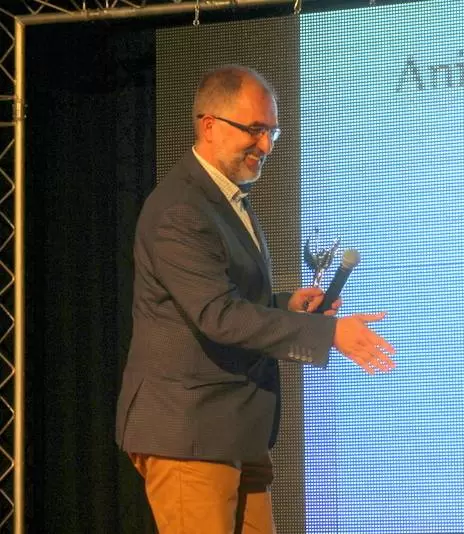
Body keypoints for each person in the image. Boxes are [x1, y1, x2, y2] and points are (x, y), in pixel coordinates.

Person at [115, 65, 396, 534]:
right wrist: (328, 333)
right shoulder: (181, 209)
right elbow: (217, 315)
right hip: (191, 435)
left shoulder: (227, 200)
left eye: (273, 132)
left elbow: (226, 298)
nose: (265, 145)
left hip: (235, 431)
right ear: (209, 126)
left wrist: (285, 305)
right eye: (254, 129)